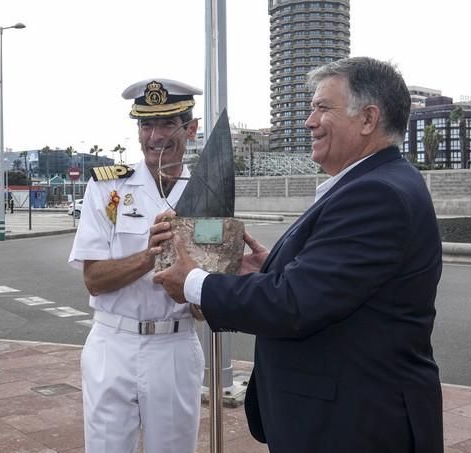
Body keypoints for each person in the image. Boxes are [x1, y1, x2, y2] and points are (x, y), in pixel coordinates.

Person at [153, 57, 444, 453]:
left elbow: (295, 304)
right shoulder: (372, 183)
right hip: (347, 417)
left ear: (368, 119)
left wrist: (193, 283)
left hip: (355, 426)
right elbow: (329, 283)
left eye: (323, 108)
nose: (309, 121)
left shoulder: (376, 194)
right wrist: (270, 267)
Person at [68, 78, 204, 453]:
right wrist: (149, 255)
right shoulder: (107, 188)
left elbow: (204, 307)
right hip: (113, 343)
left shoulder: (206, 193)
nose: (154, 136)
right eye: (146, 125)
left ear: (190, 129)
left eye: (167, 124)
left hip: (174, 344)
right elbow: (94, 280)